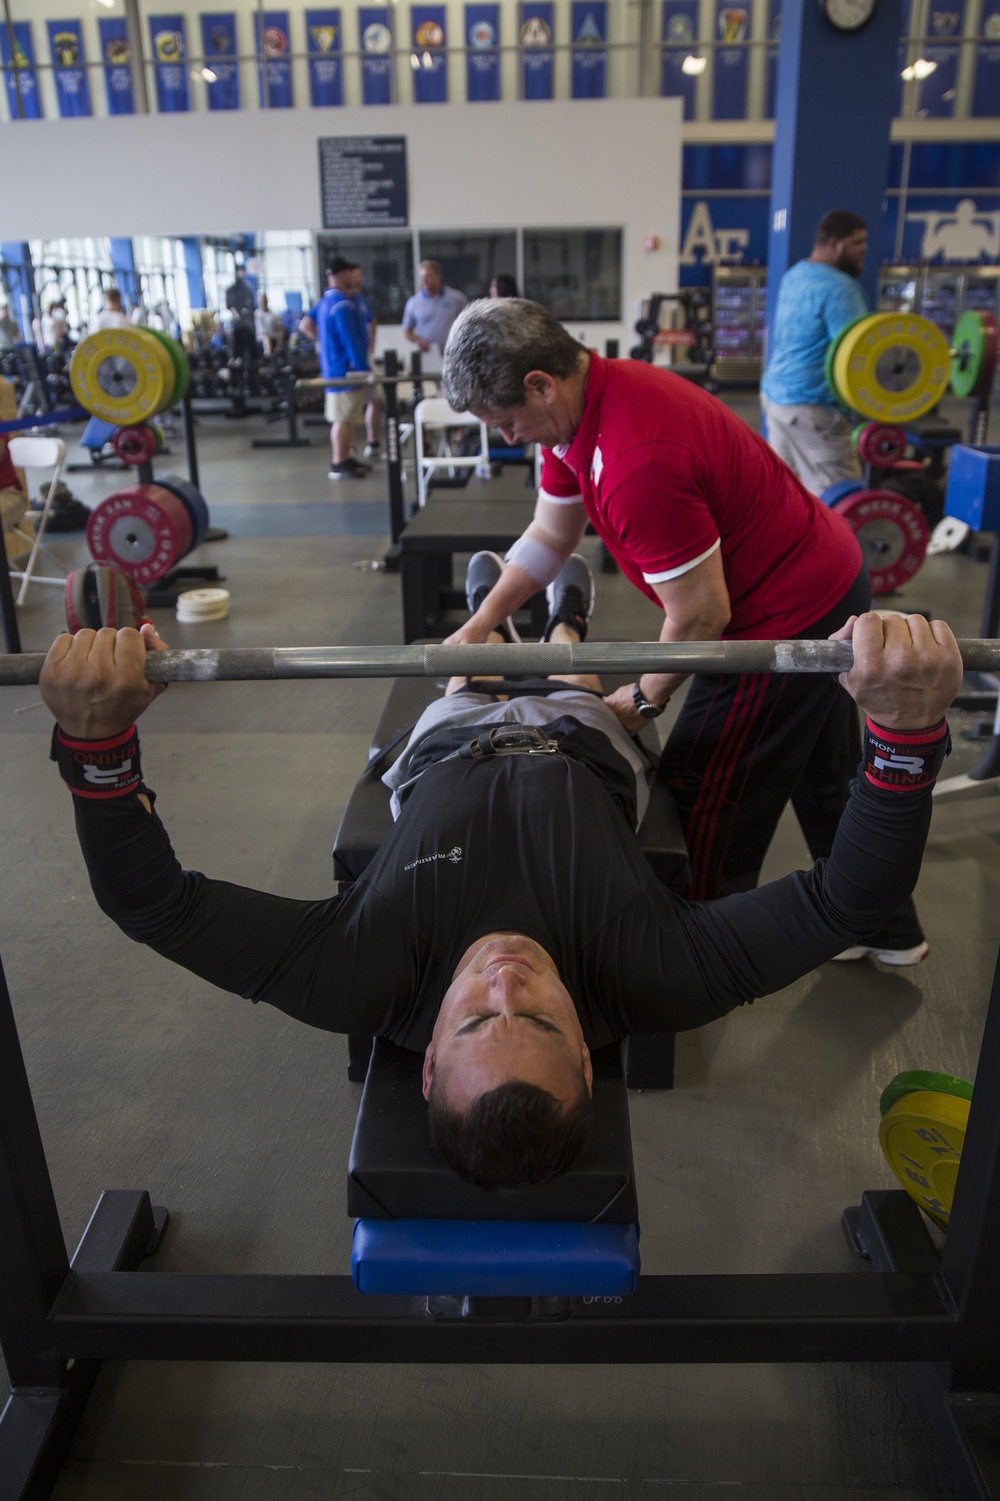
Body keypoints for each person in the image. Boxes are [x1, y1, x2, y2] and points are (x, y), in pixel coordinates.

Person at [38, 575, 960, 1190]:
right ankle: (563, 622)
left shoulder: (361, 976)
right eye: (544, 1020)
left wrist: (97, 747)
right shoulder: (655, 978)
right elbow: (848, 899)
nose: (507, 981)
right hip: (584, 741)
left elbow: (152, 905)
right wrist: (906, 735)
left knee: (461, 664)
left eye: (478, 1018)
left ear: (428, 1058)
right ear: (590, 1058)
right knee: (567, 679)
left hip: (445, 746)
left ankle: (488, 609)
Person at [440, 297, 931, 966]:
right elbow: (552, 534)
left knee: (707, 790)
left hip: (785, 609)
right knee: (823, 770)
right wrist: (479, 623)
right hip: (824, 569)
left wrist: (641, 700)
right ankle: (885, 927)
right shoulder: (577, 415)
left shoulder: (637, 457)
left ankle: (698, 960)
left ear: (539, 384)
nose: (504, 437)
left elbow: (702, 616)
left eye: (504, 421)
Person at [760, 209, 870, 495]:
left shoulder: (795, 275)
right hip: (813, 409)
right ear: (835, 244)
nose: (864, 249)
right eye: (858, 242)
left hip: (776, 399)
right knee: (842, 502)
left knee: (785, 496)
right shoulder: (841, 288)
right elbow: (860, 354)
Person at [299, 258, 371, 480]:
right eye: (350, 273)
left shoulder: (324, 301)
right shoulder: (342, 304)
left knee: (346, 417)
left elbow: (305, 325)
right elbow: (352, 342)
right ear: (341, 275)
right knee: (342, 418)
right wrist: (363, 369)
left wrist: (327, 345)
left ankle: (346, 459)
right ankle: (338, 462)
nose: (353, 277)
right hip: (345, 371)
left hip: (334, 367)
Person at [402, 260, 468, 373]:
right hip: (427, 357)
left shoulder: (457, 298)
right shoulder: (413, 303)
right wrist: (417, 340)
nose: (424, 280)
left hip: (452, 357)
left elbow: (468, 324)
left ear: (438, 276)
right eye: (421, 277)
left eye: (428, 276)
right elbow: (407, 331)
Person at [351, 266, 382, 461]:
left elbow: (372, 322)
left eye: (359, 277)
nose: (357, 281)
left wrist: (372, 343)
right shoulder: (341, 303)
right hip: (350, 363)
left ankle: (373, 444)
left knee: (376, 400)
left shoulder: (361, 300)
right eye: (354, 277)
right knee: (352, 405)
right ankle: (350, 448)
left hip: (365, 359)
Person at [225, 265, 257, 370]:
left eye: (242, 271)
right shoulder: (231, 290)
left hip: (248, 324)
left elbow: (252, 306)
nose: (241, 274)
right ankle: (234, 358)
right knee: (236, 343)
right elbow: (230, 306)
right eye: (239, 271)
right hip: (237, 324)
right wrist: (237, 317)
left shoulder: (248, 289)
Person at [254, 292, 280, 357]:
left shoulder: (273, 314)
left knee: (280, 335)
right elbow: (262, 332)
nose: (263, 303)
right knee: (266, 338)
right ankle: (268, 357)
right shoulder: (257, 313)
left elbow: (279, 328)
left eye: (264, 301)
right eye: (261, 301)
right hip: (261, 337)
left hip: (273, 335)